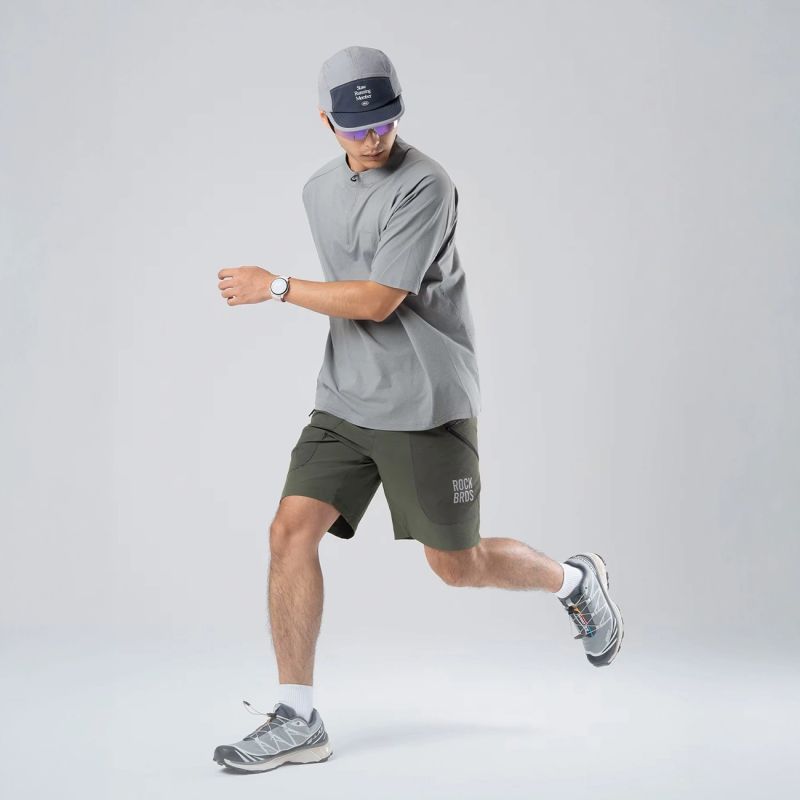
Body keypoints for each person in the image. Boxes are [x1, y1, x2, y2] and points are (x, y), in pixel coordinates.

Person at [213, 45, 624, 774]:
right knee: (288, 532)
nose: (373, 137)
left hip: (426, 403)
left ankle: (574, 581)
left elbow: (378, 299)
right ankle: (298, 717)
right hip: (344, 399)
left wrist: (275, 286)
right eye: (356, 126)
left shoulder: (427, 185)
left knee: (458, 567)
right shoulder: (317, 190)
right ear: (326, 122)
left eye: (385, 121)